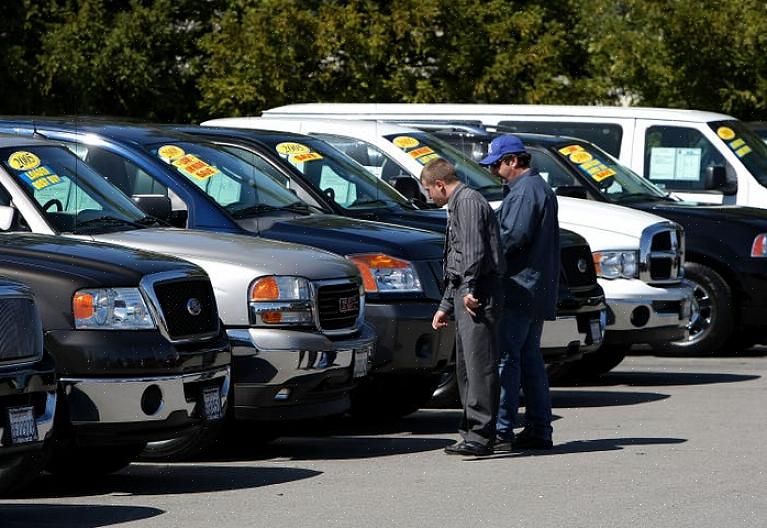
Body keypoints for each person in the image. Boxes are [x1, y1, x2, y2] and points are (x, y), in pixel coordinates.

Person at [479, 134, 560, 451]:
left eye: (497, 164)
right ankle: (539, 430)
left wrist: (481, 262)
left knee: (506, 360)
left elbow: (509, 240)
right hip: (534, 288)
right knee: (529, 360)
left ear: (513, 161)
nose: (495, 171)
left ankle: (501, 431)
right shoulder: (537, 189)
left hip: (518, 288)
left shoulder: (524, 193)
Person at [421, 158, 504, 457]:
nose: (430, 197)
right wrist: (446, 304)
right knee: (466, 368)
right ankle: (470, 431)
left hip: (478, 293)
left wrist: (470, 289)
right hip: (465, 292)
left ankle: (481, 437)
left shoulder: (467, 202)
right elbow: (457, 257)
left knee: (479, 366)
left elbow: (472, 250)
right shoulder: (457, 203)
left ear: (440, 185)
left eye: (429, 190)